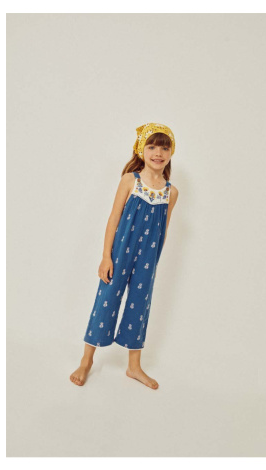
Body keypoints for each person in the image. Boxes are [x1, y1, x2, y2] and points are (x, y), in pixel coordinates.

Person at [70, 123, 179, 390]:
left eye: (164, 148)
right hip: (120, 252)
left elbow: (163, 230)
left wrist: (154, 262)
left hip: (148, 258)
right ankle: (86, 360)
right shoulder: (131, 181)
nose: (158, 153)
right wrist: (106, 256)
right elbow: (113, 219)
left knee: (139, 305)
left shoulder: (171, 192)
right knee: (106, 300)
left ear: (170, 153)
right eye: (152, 147)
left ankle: (134, 366)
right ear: (141, 150)